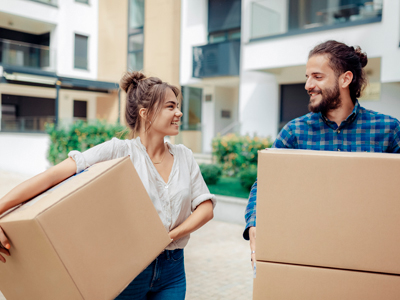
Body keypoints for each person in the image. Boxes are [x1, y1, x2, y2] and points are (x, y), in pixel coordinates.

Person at [0, 71, 216, 299]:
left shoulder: (184, 155)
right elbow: (51, 177)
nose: (179, 113)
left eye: (178, 106)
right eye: (170, 107)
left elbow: (205, 208)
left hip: (172, 271)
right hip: (129, 269)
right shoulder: (118, 152)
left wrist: (171, 235)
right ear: (146, 113)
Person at [244, 40, 400, 267]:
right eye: (307, 77)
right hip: (308, 249)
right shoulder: (295, 131)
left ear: (345, 79)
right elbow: (265, 183)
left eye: (317, 77)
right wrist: (254, 224)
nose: (308, 85)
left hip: (369, 254)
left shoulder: (388, 130)